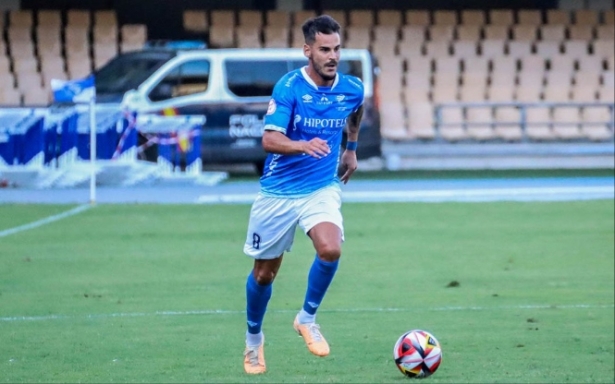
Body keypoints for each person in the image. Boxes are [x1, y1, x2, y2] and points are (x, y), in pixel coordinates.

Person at [241, 14, 365, 374]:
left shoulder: (351, 87)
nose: (332, 56)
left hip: (321, 189)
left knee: (331, 248)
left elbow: (355, 110)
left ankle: (307, 318)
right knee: (264, 275)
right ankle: (253, 342)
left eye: (337, 49)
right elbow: (268, 140)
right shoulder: (289, 87)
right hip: (278, 193)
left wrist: (351, 148)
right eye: (324, 49)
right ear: (307, 50)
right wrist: (301, 145)